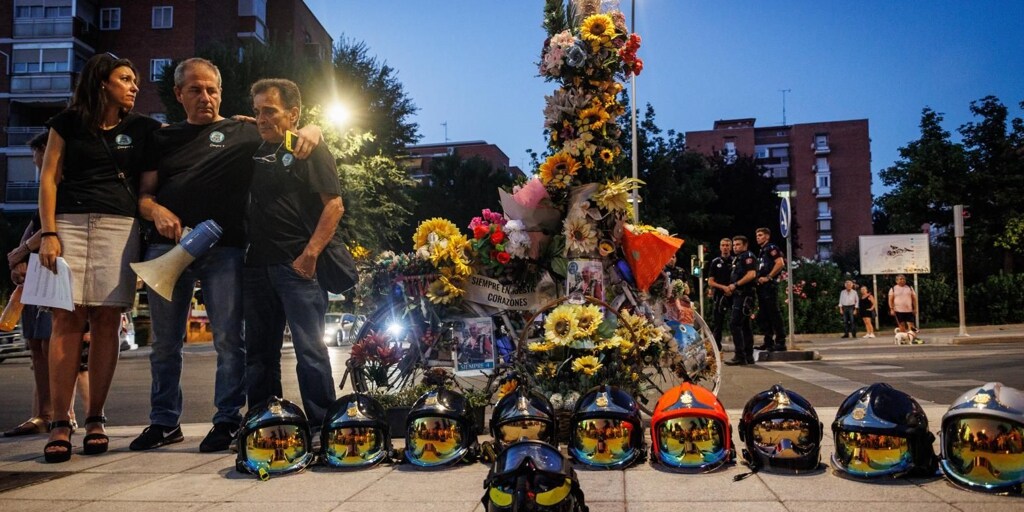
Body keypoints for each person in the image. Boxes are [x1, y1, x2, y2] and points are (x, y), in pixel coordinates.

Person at [131, 59, 321, 453]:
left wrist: (314, 129)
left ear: (220, 91)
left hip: (227, 250)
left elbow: (289, 132)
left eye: (212, 89)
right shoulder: (162, 138)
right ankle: (164, 421)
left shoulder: (244, 132)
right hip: (169, 250)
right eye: (195, 90)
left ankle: (227, 419)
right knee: (165, 342)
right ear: (178, 93)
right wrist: (156, 210)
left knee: (230, 341)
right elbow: (144, 196)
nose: (205, 97)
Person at [36, 53, 160, 462]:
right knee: (66, 318)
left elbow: (150, 184)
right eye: (125, 78)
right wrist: (48, 233)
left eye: (135, 80)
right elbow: (49, 178)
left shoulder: (143, 128)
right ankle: (58, 422)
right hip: (68, 224)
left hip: (118, 228)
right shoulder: (67, 123)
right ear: (102, 82)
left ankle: (95, 418)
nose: (134, 86)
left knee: (107, 319)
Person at [241, 79, 341, 429]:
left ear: (293, 113)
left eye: (270, 111)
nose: (261, 119)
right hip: (256, 267)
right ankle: (266, 423)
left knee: (310, 352)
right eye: (257, 111)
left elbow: (335, 206)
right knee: (258, 356)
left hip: (295, 267)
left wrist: (310, 255)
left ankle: (321, 425)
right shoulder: (254, 148)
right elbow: (233, 122)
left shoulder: (306, 148)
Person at [4, 134, 91, 439]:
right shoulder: (47, 188)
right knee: (38, 346)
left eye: (36, 156)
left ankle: (61, 415)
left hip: (55, 273)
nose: (35, 163)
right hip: (35, 275)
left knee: (55, 344)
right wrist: (19, 260)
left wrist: (21, 250)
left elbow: (51, 226)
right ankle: (44, 413)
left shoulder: (63, 186)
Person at [724, 235, 757, 366]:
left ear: (745, 245)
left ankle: (740, 356)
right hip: (739, 295)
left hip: (745, 294)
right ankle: (748, 356)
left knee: (735, 324)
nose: (735, 247)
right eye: (734, 244)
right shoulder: (738, 258)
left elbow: (751, 274)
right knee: (745, 326)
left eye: (738, 244)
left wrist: (735, 285)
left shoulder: (748, 256)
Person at [754, 227, 787, 351]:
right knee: (764, 315)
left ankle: (780, 341)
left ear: (767, 236)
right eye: (757, 235)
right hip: (762, 287)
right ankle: (768, 342)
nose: (758, 237)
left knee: (774, 313)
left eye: (761, 235)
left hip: (769, 285)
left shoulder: (772, 248)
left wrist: (768, 277)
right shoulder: (762, 251)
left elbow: (780, 263)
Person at [705, 238, 733, 351]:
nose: (725, 247)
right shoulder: (715, 262)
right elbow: (710, 281)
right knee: (717, 323)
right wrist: (723, 287)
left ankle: (741, 347)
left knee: (736, 322)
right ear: (720, 247)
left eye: (727, 245)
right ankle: (716, 347)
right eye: (723, 245)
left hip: (733, 294)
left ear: (730, 247)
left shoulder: (735, 260)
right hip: (719, 295)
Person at [888, 274, 919, 341]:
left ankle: (913, 338)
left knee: (911, 325)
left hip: (909, 310)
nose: (902, 280)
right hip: (898, 310)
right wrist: (891, 309)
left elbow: (914, 299)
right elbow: (890, 300)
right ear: (896, 281)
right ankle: (904, 339)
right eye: (900, 279)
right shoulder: (893, 289)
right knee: (901, 325)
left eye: (903, 279)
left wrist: (915, 308)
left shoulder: (909, 288)